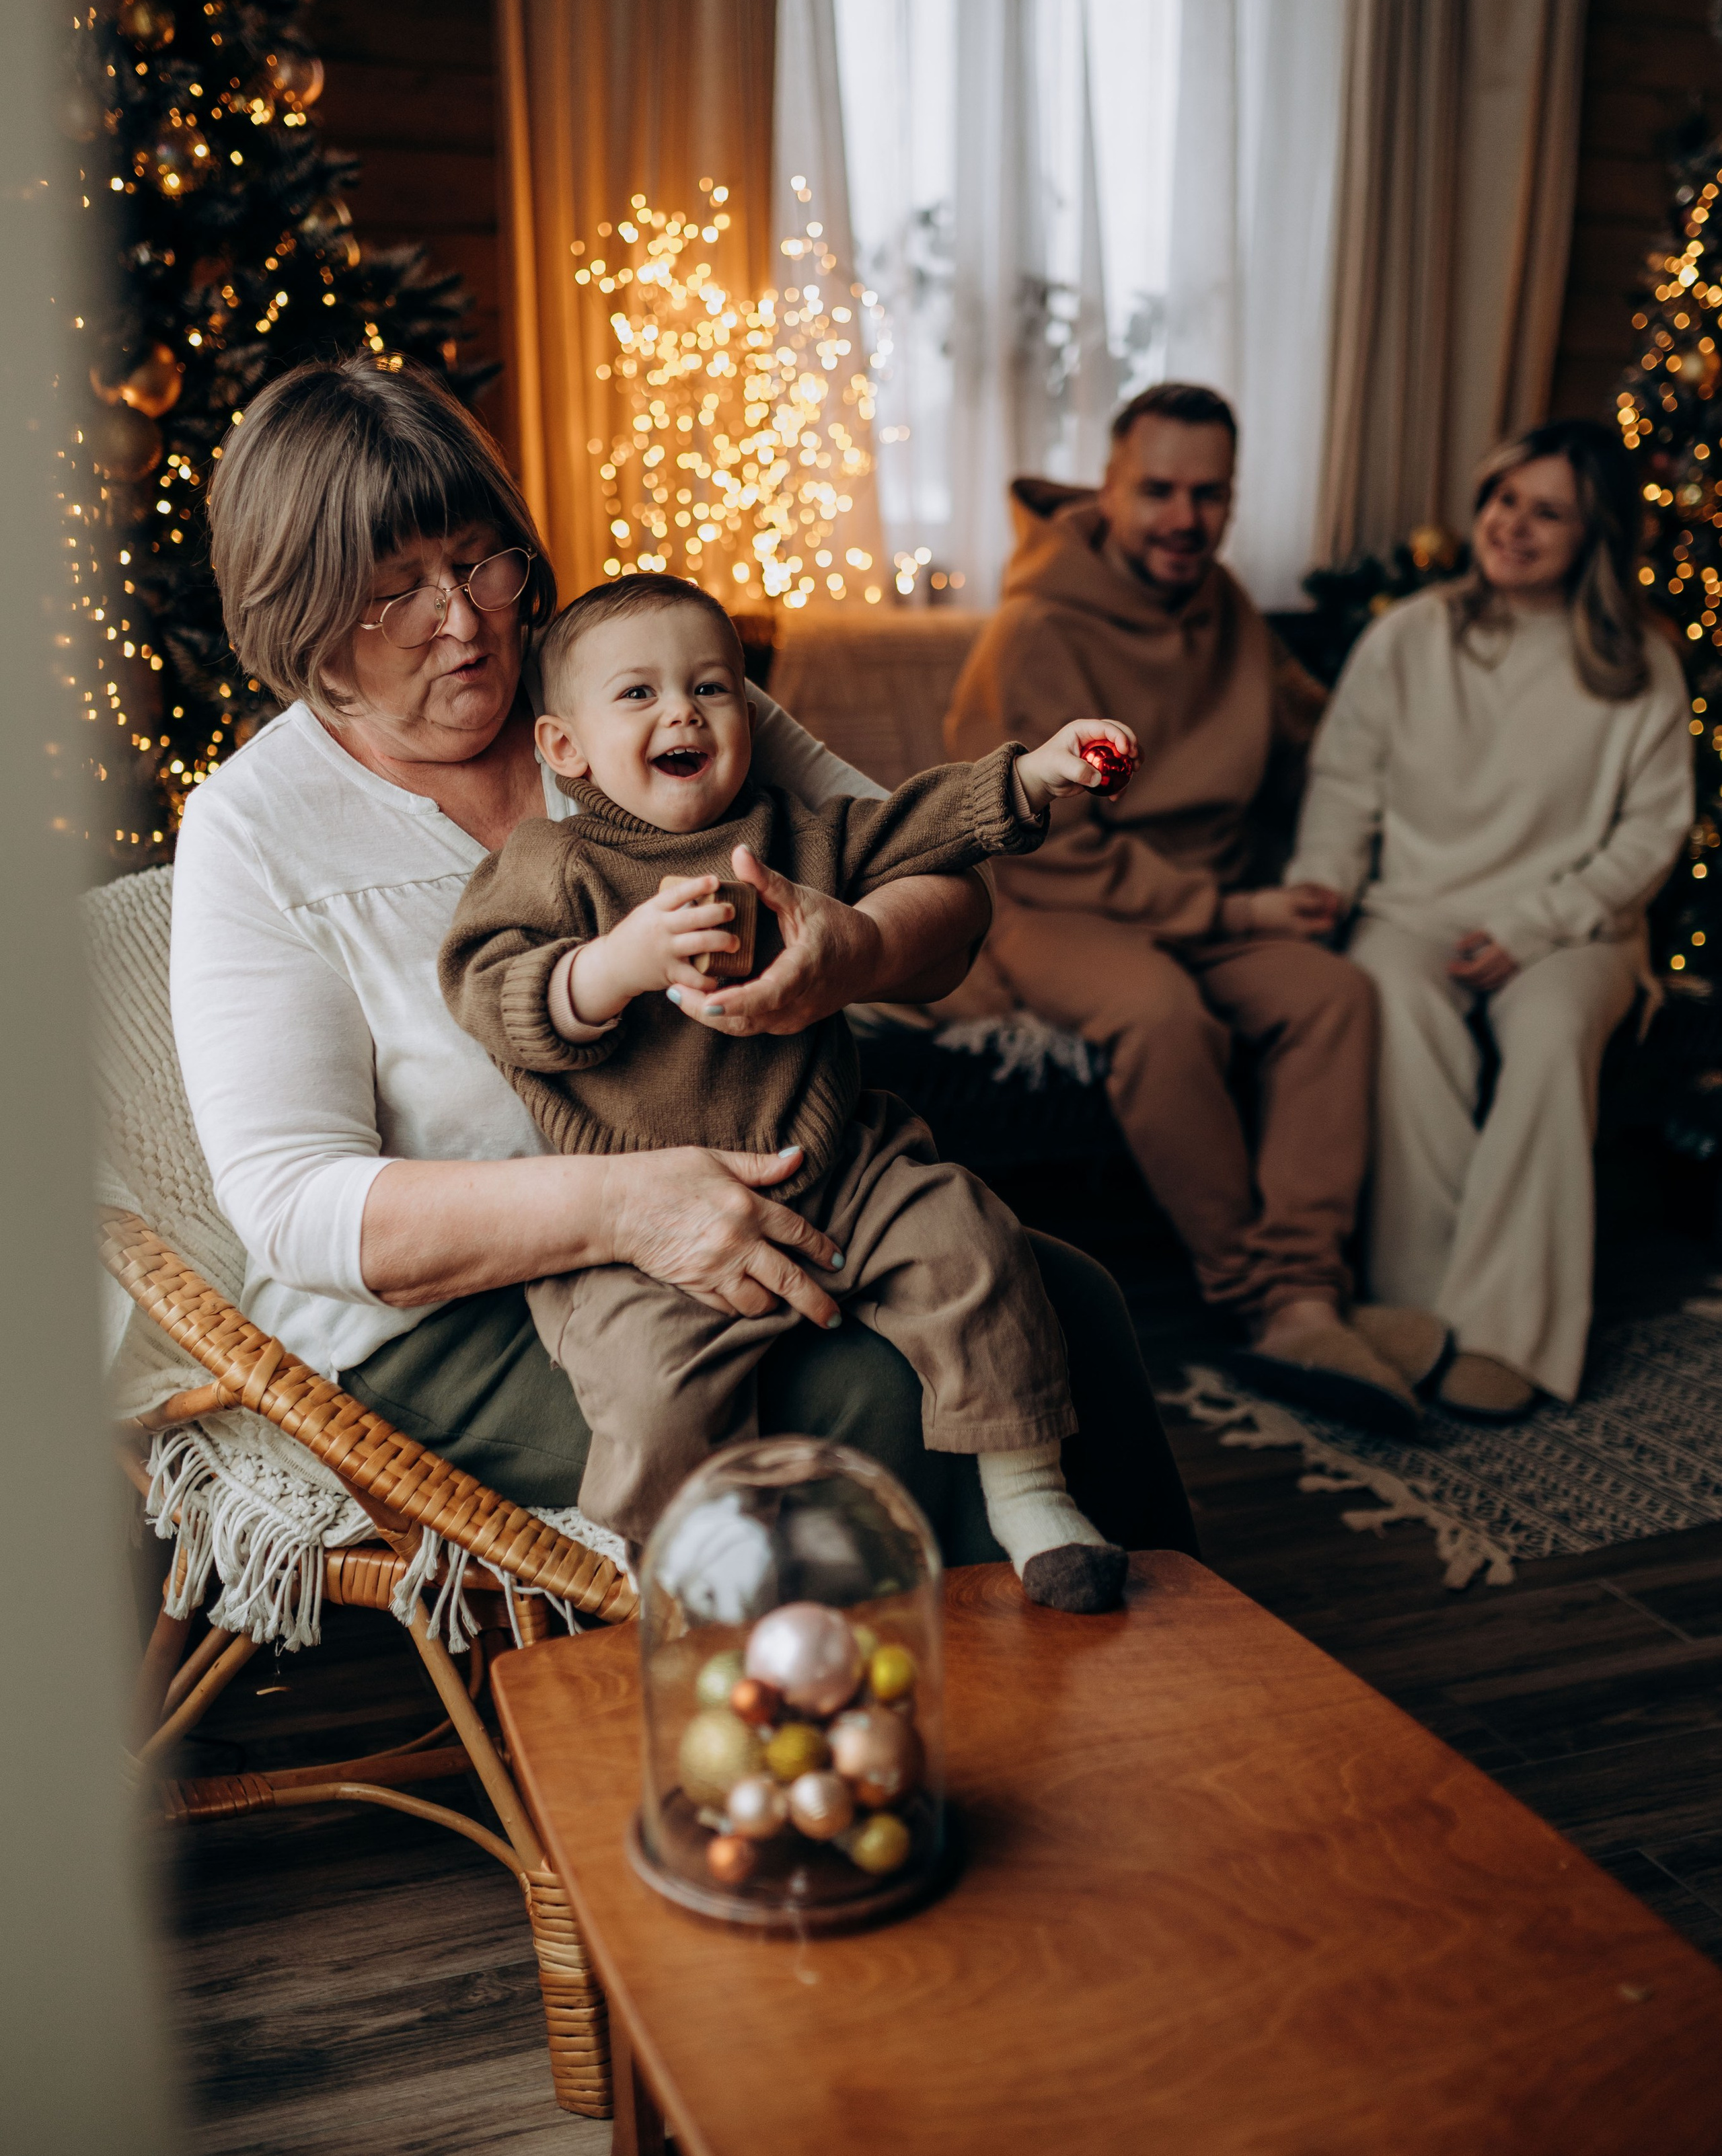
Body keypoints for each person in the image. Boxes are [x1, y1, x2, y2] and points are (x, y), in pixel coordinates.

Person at [171, 356, 1197, 1574]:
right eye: (401, 594)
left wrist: (854, 950)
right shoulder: (254, 829)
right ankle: (839, 1732)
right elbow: (295, 1207)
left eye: (480, 560)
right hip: (457, 1314)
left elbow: (935, 884)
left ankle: (1148, 1702)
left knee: (1061, 1297)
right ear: (306, 623)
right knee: (867, 1399)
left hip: (769, 1191)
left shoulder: (635, 686)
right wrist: (628, 1205)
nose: (469, 620)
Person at [439, 570, 1137, 1605]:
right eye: (639, 694)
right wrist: (615, 965)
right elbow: (485, 989)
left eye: (712, 688)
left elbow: (922, 827)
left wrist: (1031, 778)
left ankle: (1030, 1496)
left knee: (975, 1245)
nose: (683, 711)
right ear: (563, 747)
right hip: (647, 1220)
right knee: (645, 1389)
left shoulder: (797, 833)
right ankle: (680, 1578)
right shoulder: (552, 864)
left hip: (840, 1164)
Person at [946, 381, 1434, 1432]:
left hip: (1213, 904)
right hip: (1060, 902)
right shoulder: (1037, 632)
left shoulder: (1228, 612)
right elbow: (1048, 847)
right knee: (1163, 1016)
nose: (1185, 519)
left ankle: (1308, 1292)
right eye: (1159, 490)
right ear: (1110, 488)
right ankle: (1261, 1303)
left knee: (1335, 994)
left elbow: (1327, 745)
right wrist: (1245, 912)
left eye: (1209, 495)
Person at [1284, 420, 1692, 1420]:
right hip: (1415, 910)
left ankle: (1509, 1338)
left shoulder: (1641, 664)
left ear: (1593, 538)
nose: (1513, 525)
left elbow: (1652, 834)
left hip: (1579, 926)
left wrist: (1539, 923)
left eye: (1547, 512)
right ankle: (1420, 1315)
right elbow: (1346, 784)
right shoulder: (1410, 636)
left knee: (1552, 1037)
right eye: (1505, 499)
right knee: (1393, 1001)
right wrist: (1323, 881)